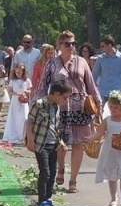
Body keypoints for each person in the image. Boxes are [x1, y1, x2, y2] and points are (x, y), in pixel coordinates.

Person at [38, 32, 102, 194]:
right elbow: (43, 85)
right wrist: (39, 104)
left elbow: (91, 84)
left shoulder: (82, 62)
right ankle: (61, 167)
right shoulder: (52, 63)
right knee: (60, 143)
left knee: (79, 145)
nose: (71, 46)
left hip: (80, 107)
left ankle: (73, 180)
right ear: (59, 45)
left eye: (73, 43)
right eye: (67, 44)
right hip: (59, 108)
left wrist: (98, 104)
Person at [26, 80, 69, 206]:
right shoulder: (39, 104)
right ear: (56, 93)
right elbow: (29, 122)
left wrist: (61, 141)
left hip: (53, 144)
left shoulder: (56, 107)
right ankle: (41, 201)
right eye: (64, 97)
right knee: (45, 172)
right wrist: (30, 140)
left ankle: (48, 198)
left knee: (52, 172)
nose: (65, 100)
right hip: (41, 144)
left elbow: (54, 126)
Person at [1, 63, 31, 144]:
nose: (18, 74)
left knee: (24, 118)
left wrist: (25, 92)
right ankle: (13, 135)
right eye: (17, 72)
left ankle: (22, 136)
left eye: (20, 72)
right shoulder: (13, 81)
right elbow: (9, 90)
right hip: (15, 101)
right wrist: (16, 94)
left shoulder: (27, 81)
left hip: (24, 102)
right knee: (14, 118)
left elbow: (31, 90)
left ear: (23, 72)